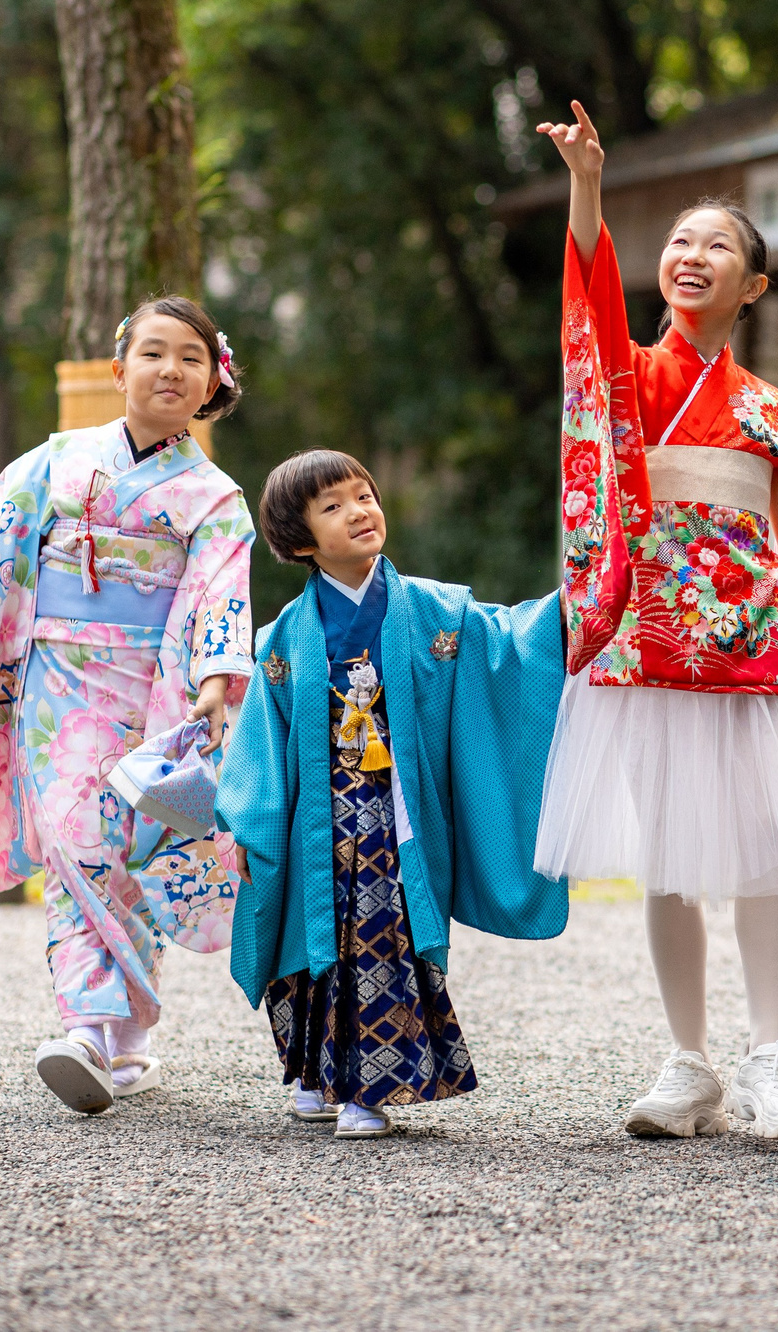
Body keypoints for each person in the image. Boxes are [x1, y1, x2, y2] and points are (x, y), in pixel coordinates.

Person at [534, 101, 778, 1141]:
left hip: (757, 640)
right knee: (667, 858)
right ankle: (687, 1061)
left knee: (760, 851)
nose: (691, 256)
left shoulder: (771, 409)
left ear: (751, 285)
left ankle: (771, 1055)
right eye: (678, 243)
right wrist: (587, 185)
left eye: (717, 246)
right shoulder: (622, 376)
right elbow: (581, 308)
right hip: (651, 637)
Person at [0, 296, 255, 1114]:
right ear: (120, 369)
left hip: (155, 694)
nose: (170, 370)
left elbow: (221, 595)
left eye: (190, 357)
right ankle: (87, 1026)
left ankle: (130, 1037)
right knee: (75, 845)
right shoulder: (55, 461)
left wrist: (215, 687)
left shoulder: (216, 497)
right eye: (153, 353)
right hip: (58, 690)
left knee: (130, 854)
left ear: (212, 379)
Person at [218, 450, 571, 1139]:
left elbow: (513, 645)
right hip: (315, 821)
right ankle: (321, 1075)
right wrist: (250, 824)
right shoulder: (285, 638)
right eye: (334, 506)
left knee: (380, 934)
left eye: (365, 495)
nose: (360, 511)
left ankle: (366, 1090)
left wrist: (570, 607)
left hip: (394, 820)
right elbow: (259, 740)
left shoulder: (436, 611)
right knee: (312, 935)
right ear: (299, 541)